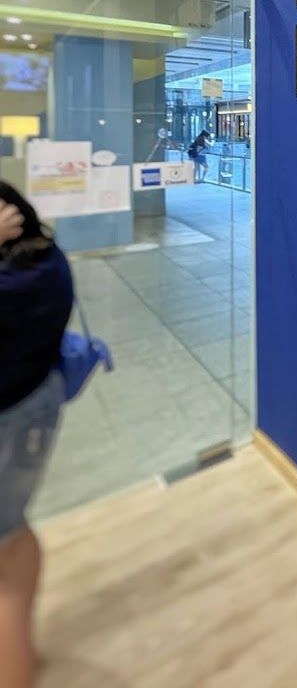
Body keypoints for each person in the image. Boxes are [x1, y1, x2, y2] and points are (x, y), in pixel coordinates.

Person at [0, 183, 73, 687]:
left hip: (16, 414)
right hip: (35, 403)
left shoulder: (20, 284)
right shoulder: (50, 263)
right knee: (12, 536)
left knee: (8, 542)